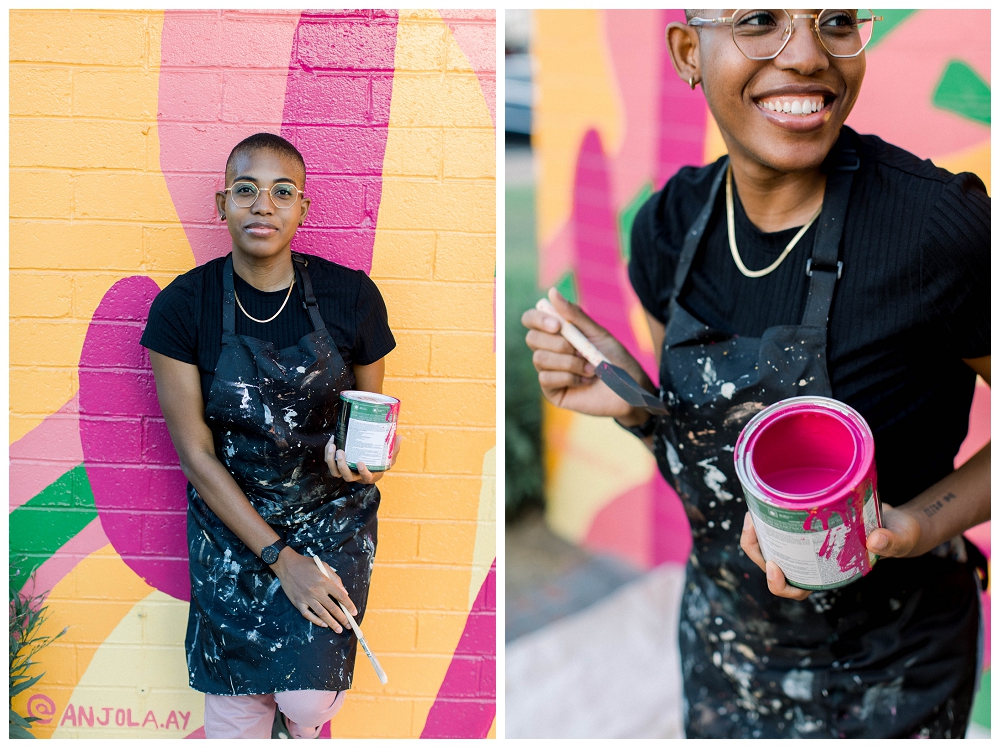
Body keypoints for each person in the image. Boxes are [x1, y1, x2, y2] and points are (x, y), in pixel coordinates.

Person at [523, 10, 989, 739]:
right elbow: (710, 464)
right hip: (725, 652)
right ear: (689, 51)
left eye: (836, 20)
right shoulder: (668, 228)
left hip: (893, 671)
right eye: (760, 20)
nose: (806, 55)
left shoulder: (937, 229)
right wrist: (637, 404)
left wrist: (918, 525)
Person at [141, 133, 398, 738]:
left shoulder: (351, 298)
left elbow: (373, 417)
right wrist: (280, 559)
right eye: (246, 190)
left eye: (283, 192)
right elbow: (196, 456)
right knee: (237, 706)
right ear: (221, 204)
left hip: (328, 519)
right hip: (230, 522)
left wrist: (370, 458)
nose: (263, 205)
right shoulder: (183, 307)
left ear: (302, 208)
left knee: (307, 701)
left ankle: (298, 729)